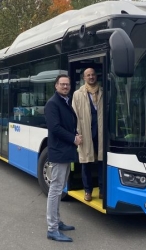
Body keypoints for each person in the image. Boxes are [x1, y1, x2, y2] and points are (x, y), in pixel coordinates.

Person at [44, 74, 82, 242]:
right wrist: (73, 138)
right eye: (62, 84)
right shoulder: (53, 103)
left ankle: (57, 222)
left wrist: (75, 134)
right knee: (55, 189)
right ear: (56, 86)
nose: (65, 87)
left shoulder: (65, 101)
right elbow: (55, 128)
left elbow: (67, 124)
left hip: (66, 151)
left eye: (67, 84)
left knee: (59, 189)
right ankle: (52, 228)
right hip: (59, 152)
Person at [72, 68, 103, 202]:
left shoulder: (103, 91)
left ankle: (102, 190)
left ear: (96, 76)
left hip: (101, 132)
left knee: (102, 161)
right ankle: (88, 191)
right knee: (86, 163)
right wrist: (76, 133)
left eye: (93, 74)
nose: (91, 77)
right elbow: (74, 115)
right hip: (85, 132)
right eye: (88, 75)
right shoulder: (77, 94)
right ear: (84, 78)